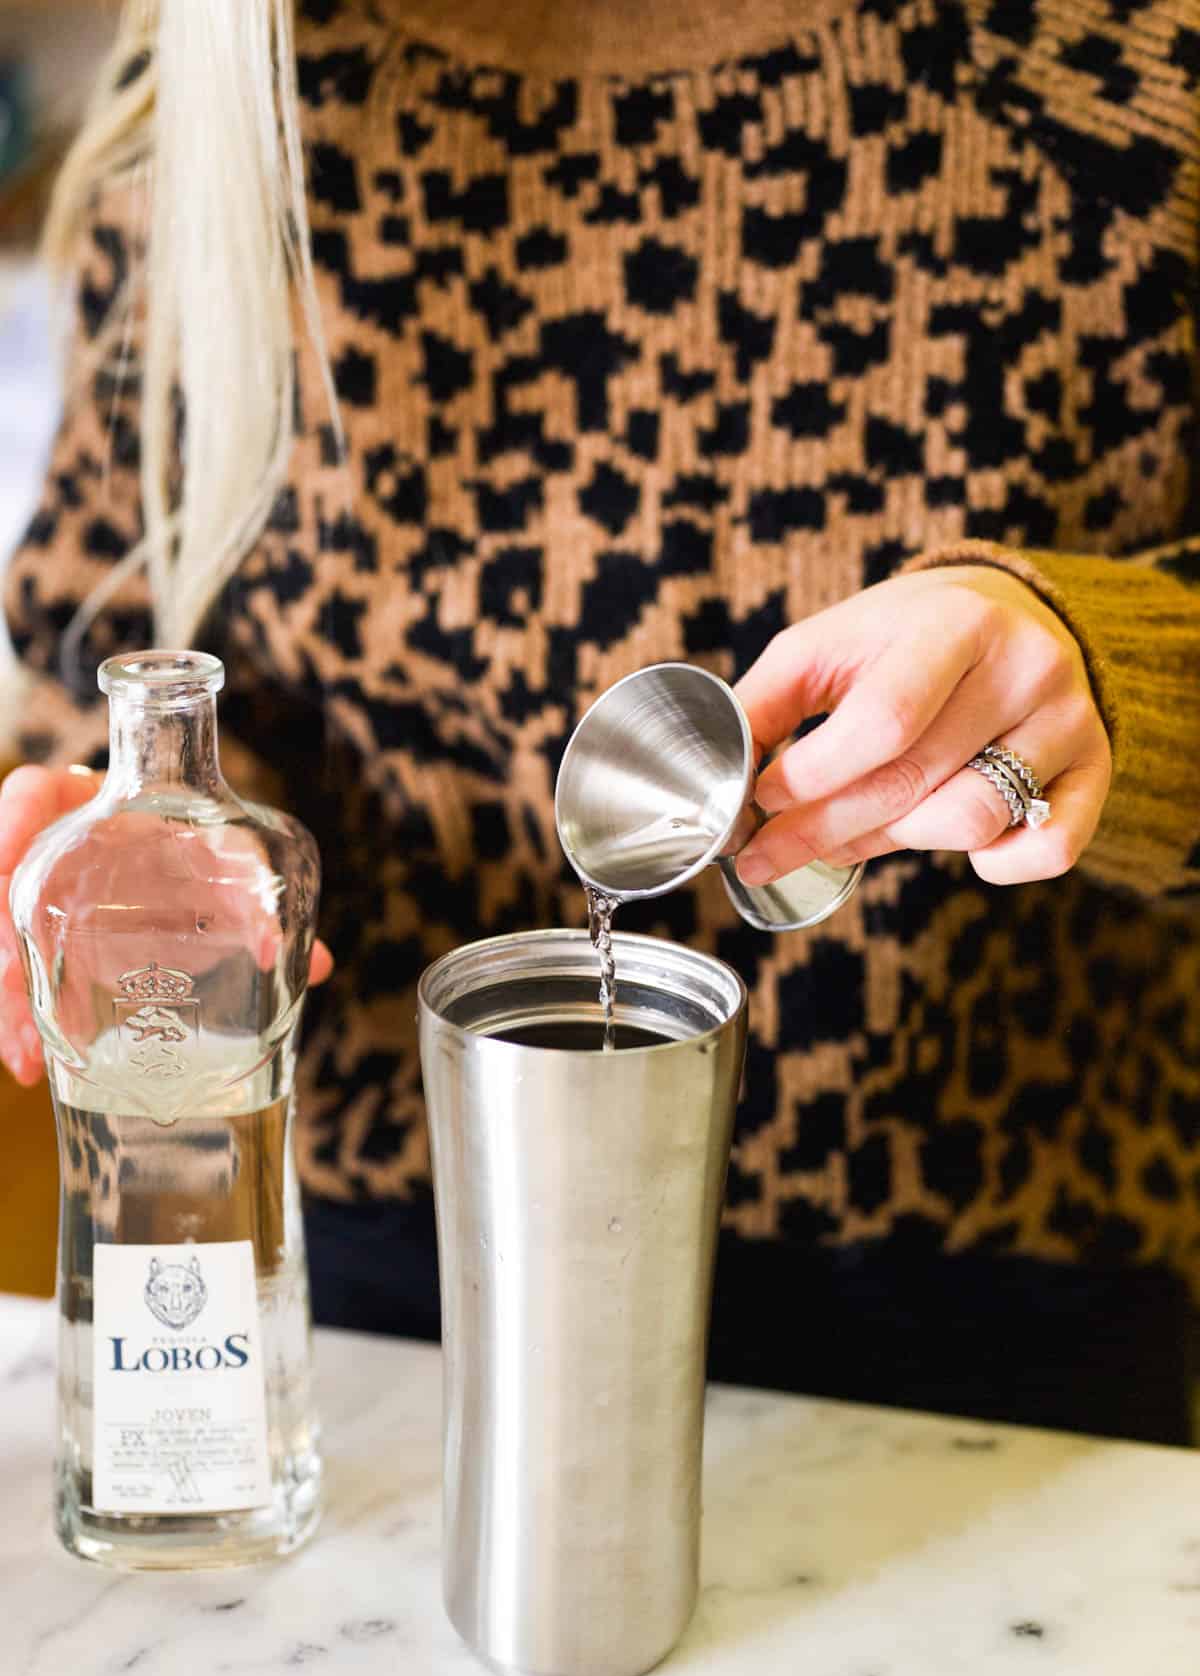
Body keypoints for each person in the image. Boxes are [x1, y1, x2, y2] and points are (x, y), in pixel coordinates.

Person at [2, 0, 1198, 1442]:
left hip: (978, 1305)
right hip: (400, 1291)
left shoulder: (1113, 68)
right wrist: (153, 838)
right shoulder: (237, 71)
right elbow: (108, 623)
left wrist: (1116, 677)